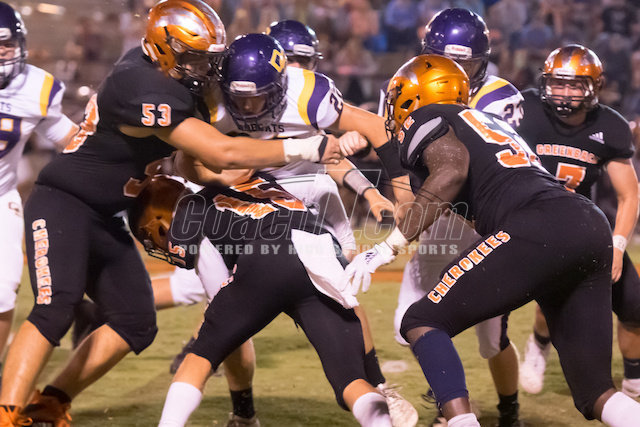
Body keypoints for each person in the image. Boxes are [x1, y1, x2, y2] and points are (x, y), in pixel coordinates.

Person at [0, 1, 346, 425]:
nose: (204, 67)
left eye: (208, 57)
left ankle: (50, 403)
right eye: (194, 56)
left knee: (135, 321)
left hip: (109, 213)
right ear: (163, 49)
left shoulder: (174, 79)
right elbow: (220, 151)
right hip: (64, 202)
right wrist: (303, 147)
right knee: (55, 307)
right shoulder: (140, 83)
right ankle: (6, 413)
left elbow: (196, 160)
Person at [343, 54, 640, 426]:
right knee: (596, 393)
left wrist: (386, 248)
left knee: (422, 320)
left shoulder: (427, 115)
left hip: (537, 225)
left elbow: (450, 172)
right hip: (588, 224)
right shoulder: (489, 122)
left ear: (415, 96)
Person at [162, 31, 417, 427]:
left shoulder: (309, 94)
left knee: (342, 293)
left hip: (302, 194)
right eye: (240, 98)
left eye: (258, 97)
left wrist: (398, 192)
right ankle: (247, 409)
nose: (249, 108)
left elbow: (370, 128)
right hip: (256, 203)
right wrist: (223, 175)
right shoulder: (211, 98)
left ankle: (377, 385)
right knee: (236, 318)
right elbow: (185, 160)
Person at [136, 169, 392, 427]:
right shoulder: (255, 180)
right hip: (321, 252)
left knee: (200, 356)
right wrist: (346, 243)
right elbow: (320, 183)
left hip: (267, 255)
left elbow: (219, 300)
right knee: (351, 381)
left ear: (159, 221)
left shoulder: (192, 212)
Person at [388, 9, 524, 427]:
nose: (456, 71)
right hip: (439, 217)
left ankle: (509, 411)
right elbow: (395, 150)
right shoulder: (411, 81)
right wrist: (407, 202)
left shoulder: (499, 97)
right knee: (410, 321)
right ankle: (450, 405)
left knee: (492, 340)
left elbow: (484, 170)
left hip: (485, 221)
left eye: (467, 63)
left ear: (483, 61)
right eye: (447, 60)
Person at [516, 44, 640, 399]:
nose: (564, 92)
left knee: (634, 305)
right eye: (558, 83)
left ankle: (634, 382)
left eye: (574, 85)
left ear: (594, 87)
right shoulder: (524, 110)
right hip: (527, 221)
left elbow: (629, 195)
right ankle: (539, 345)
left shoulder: (610, 126)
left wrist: (617, 245)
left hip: (581, 226)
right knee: (553, 301)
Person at [0, 0, 78, 380]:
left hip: (2, 199)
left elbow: (67, 137)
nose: (1, 53)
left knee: (3, 291)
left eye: (5, 44)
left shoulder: (36, 87)